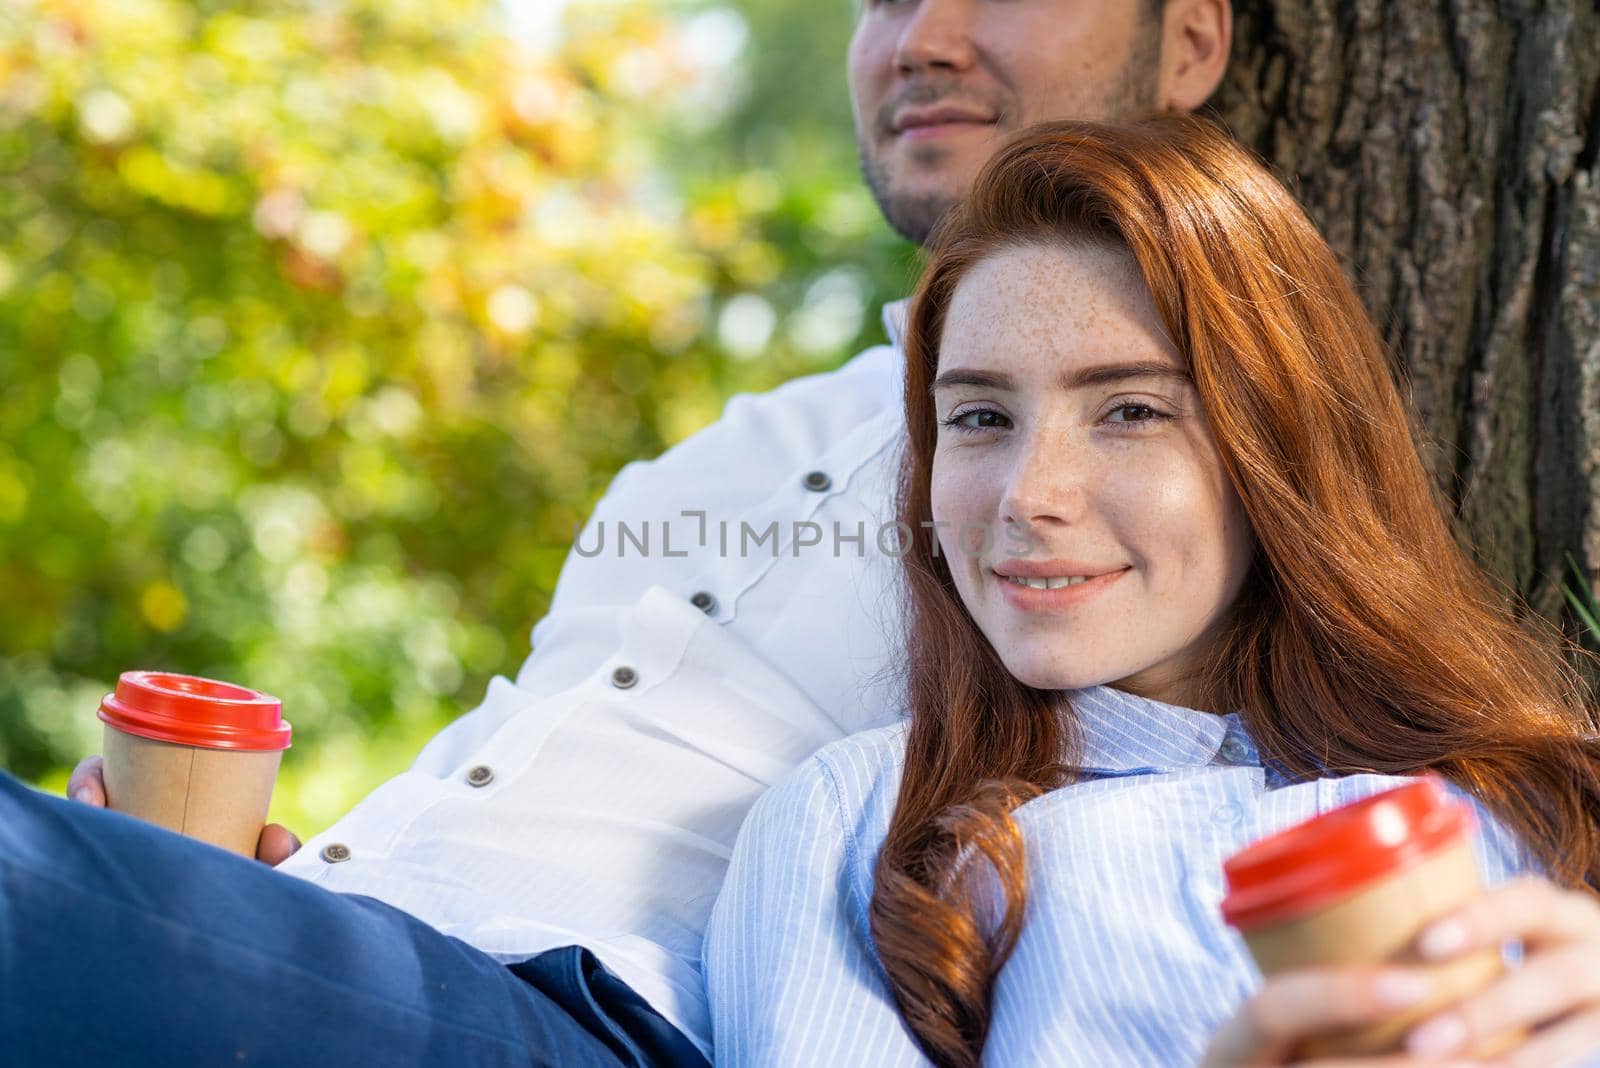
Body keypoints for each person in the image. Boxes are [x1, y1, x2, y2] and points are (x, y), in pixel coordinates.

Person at [7, 1, 1234, 1065]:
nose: (921, 40)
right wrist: (211, 899)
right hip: (353, 951)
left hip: (588, 1018)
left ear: (1186, 42)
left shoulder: (1193, 455)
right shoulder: (720, 452)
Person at [702, 116, 1600, 1068]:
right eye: (980, 417)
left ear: (1282, 445)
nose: (1028, 495)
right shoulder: (857, 828)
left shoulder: (1551, 796)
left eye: (1131, 411)